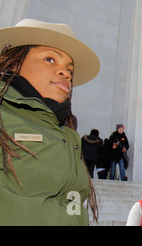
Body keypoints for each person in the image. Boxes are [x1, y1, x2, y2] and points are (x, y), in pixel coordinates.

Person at [0, 18, 100, 225]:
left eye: (70, 69)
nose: (65, 73)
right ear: (13, 63)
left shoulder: (69, 137)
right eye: (50, 59)